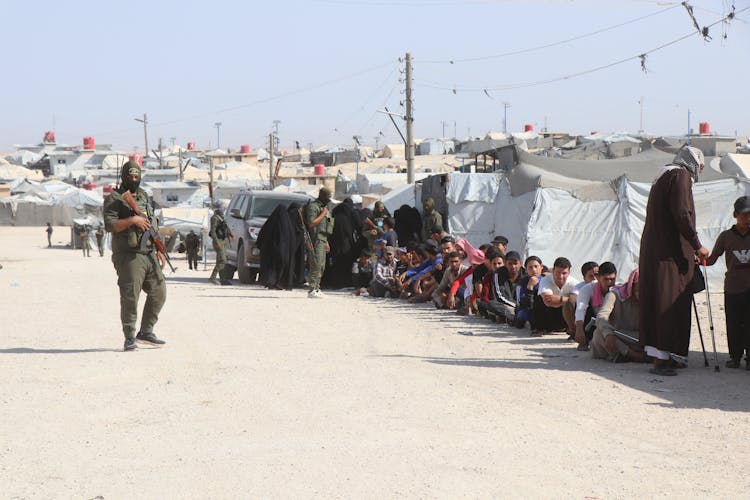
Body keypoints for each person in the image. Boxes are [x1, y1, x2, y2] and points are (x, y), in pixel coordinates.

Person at [639, 146, 709, 376]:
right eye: (700, 167)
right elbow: (682, 214)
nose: (699, 172)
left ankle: (668, 355)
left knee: (663, 301)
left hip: (659, 253)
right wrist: (697, 245)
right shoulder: (680, 175)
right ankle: (662, 359)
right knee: (668, 303)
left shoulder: (664, 174)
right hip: (669, 255)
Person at [103, 160, 167, 351]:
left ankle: (146, 331)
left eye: (136, 176)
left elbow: (151, 223)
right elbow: (109, 225)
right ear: (123, 176)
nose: (133, 179)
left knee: (159, 292)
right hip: (129, 255)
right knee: (130, 296)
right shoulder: (115, 198)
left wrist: (158, 248)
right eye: (130, 176)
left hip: (148, 253)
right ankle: (129, 337)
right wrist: (132, 220)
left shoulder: (144, 197)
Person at [705, 195, 750, 369]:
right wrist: (699, 258)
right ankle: (735, 357)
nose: (747, 219)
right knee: (733, 323)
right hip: (733, 287)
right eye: (744, 215)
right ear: (735, 214)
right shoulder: (725, 237)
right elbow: (712, 259)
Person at [593, 268, 645, 363]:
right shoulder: (614, 295)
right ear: (632, 285)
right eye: (639, 286)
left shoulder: (652, 299)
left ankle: (623, 354)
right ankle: (633, 355)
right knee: (598, 334)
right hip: (617, 335)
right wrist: (609, 334)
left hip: (638, 338)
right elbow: (601, 316)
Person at [574, 261, 618, 351]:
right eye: (606, 279)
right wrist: (579, 330)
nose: (609, 282)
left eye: (612, 279)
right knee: (580, 308)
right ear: (598, 277)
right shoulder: (587, 289)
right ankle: (584, 340)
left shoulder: (618, 289)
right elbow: (580, 310)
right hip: (593, 323)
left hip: (612, 323)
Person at [323, 197, 364, 289]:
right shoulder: (352, 211)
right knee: (346, 260)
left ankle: (335, 281)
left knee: (336, 261)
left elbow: (329, 222)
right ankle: (345, 281)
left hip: (334, 239)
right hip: (347, 240)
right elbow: (359, 225)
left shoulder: (334, 211)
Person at [256, 204, 298, 290]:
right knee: (281, 265)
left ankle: (271, 282)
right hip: (284, 252)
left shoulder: (270, 223)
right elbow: (292, 240)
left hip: (270, 251)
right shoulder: (288, 225)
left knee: (272, 266)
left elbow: (261, 236)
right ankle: (279, 282)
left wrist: (262, 247)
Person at [534, 257, 579, 336]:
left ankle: (572, 330)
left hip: (566, 317)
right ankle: (540, 328)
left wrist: (560, 300)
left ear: (569, 272)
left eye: (564, 273)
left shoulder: (574, 283)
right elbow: (548, 301)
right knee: (539, 299)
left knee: (574, 303)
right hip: (549, 315)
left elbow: (577, 301)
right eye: (558, 272)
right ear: (553, 270)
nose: (560, 276)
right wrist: (567, 300)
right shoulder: (546, 280)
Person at [304, 187, 335, 298]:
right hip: (315, 239)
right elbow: (311, 223)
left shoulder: (324, 208)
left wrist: (326, 241)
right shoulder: (313, 207)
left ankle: (317, 287)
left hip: (322, 239)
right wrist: (323, 214)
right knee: (316, 264)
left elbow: (325, 226)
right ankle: (312, 289)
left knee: (321, 265)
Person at [516, 256, 544, 329]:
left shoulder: (546, 280)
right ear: (526, 270)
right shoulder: (522, 283)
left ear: (541, 267)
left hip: (543, 309)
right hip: (527, 310)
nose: (534, 270)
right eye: (530, 267)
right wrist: (530, 287)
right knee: (521, 315)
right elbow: (522, 304)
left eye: (536, 266)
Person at [209, 200, 232, 285]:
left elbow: (224, 227)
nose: (223, 209)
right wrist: (217, 242)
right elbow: (213, 231)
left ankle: (223, 279)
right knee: (222, 260)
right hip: (218, 241)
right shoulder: (214, 218)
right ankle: (213, 277)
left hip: (223, 241)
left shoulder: (222, 217)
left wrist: (229, 234)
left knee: (221, 260)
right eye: (222, 207)